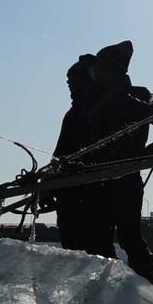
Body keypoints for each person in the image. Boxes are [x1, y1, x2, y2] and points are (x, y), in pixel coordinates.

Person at [71, 40, 153, 280]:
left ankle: (146, 292)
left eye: (98, 67)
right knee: (97, 241)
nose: (94, 72)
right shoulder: (95, 98)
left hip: (125, 179)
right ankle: (111, 290)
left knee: (130, 238)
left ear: (109, 70)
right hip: (94, 179)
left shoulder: (134, 97)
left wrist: (143, 157)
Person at [48, 55, 104, 257]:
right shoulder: (74, 113)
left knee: (90, 246)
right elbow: (60, 153)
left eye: (73, 81)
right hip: (69, 191)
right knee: (74, 245)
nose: (69, 86)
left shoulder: (92, 111)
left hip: (85, 192)